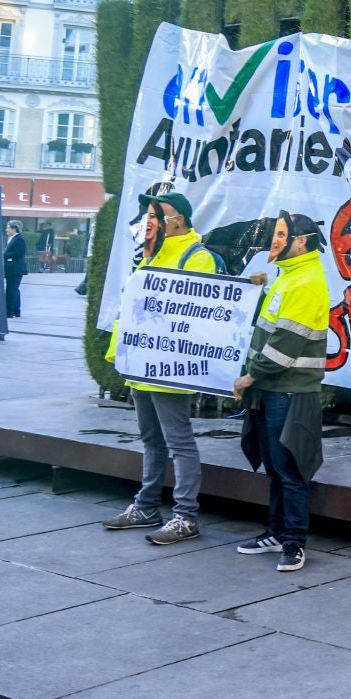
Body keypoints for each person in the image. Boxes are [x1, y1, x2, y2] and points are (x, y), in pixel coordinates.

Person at [101, 192, 224, 545]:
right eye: (149, 214)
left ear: (179, 219)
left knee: (178, 441)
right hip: (141, 363)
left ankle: (185, 516)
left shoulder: (197, 257)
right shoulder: (151, 254)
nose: (150, 220)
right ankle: (147, 506)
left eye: (158, 214)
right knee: (151, 439)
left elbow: (195, 312)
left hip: (170, 367)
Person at [234, 212, 331, 573]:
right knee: (276, 467)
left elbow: (285, 344)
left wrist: (250, 377)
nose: (273, 240)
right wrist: (260, 290)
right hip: (273, 389)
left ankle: (293, 542)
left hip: (289, 391)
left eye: (280, 234)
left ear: (300, 242)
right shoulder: (289, 277)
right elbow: (273, 325)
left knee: (290, 468)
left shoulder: (306, 281)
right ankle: (276, 533)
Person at [2, 221, 27, 319]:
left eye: (8, 228)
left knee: (11, 290)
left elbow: (18, 253)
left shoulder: (19, 239)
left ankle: (9, 311)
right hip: (12, 269)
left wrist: (5, 254)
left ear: (14, 229)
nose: (6, 230)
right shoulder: (13, 239)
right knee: (14, 290)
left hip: (15, 269)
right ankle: (16, 311)